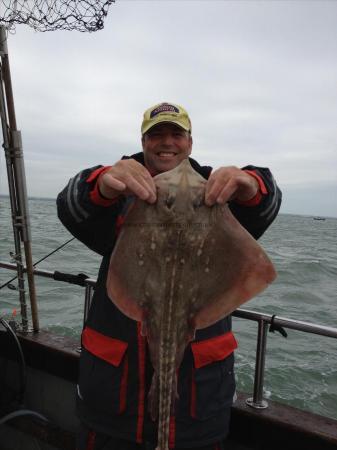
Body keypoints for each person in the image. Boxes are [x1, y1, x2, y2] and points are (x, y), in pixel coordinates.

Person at [57, 102, 282, 450]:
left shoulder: (215, 190)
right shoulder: (121, 189)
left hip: (198, 405)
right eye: (156, 134)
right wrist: (102, 184)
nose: (167, 142)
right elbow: (70, 204)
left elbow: (266, 200)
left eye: (176, 134)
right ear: (143, 142)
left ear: (190, 142)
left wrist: (249, 183)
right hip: (113, 403)